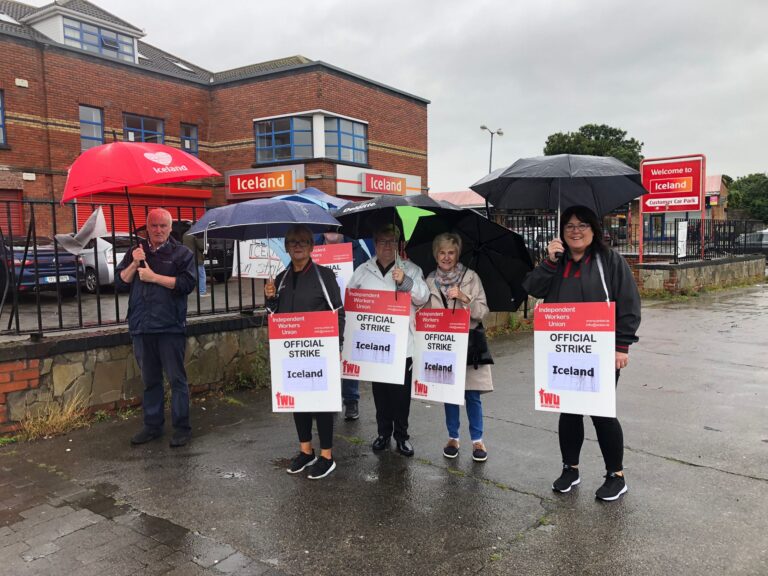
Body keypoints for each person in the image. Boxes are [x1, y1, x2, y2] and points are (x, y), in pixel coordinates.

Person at [522, 205, 641, 502]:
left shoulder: (609, 261)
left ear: (594, 229)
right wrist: (549, 261)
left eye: (582, 225)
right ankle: (570, 470)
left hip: (600, 350)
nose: (576, 230)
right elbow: (532, 288)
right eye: (570, 225)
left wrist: (621, 346)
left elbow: (628, 302)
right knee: (569, 410)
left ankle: (616, 475)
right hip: (563, 349)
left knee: (601, 411)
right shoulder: (557, 261)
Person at [265, 225, 345, 480]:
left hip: (320, 351)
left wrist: (336, 346)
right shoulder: (281, 279)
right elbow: (274, 317)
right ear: (286, 247)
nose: (297, 246)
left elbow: (338, 312)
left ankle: (326, 456)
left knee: (321, 404)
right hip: (292, 352)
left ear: (312, 246)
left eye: (302, 242)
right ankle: (306, 450)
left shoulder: (324, 276)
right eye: (291, 242)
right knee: (298, 400)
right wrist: (269, 301)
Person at [347, 223, 429, 457]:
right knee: (381, 393)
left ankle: (401, 436)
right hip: (375, 345)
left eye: (392, 241)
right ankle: (383, 433)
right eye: (383, 241)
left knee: (401, 396)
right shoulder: (363, 270)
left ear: (398, 244)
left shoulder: (411, 269)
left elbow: (422, 297)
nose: (387, 246)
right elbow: (351, 301)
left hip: (403, 345)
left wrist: (404, 282)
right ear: (374, 242)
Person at [116, 208, 196, 448]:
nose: (158, 230)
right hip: (141, 326)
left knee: (176, 379)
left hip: (169, 326)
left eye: (163, 226)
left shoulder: (182, 253)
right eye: (154, 226)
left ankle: (182, 427)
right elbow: (120, 283)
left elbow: (186, 284)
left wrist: (154, 277)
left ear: (170, 228)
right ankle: (153, 425)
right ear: (147, 228)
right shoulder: (135, 251)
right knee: (150, 380)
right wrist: (134, 263)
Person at [424, 233, 493, 462]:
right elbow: (422, 311)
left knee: (472, 394)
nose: (446, 257)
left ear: (457, 254)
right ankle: (453, 437)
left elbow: (483, 311)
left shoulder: (471, 277)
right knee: (450, 394)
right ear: (436, 254)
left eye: (451, 252)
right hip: (443, 345)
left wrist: (465, 298)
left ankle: (477, 440)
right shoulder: (429, 280)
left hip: (469, 343)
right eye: (442, 252)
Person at [317, 231, 370, 421]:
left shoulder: (357, 249)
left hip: (350, 310)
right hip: (320, 311)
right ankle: (330, 398)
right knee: (325, 356)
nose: (331, 231)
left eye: (336, 227)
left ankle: (351, 399)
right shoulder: (313, 247)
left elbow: (367, 275)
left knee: (348, 354)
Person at [183, 232, 208, 296]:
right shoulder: (197, 233)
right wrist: (206, 245)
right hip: (197, 258)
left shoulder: (185, 234)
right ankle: (202, 292)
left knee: (190, 275)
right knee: (201, 275)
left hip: (188, 257)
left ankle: (188, 290)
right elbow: (201, 246)